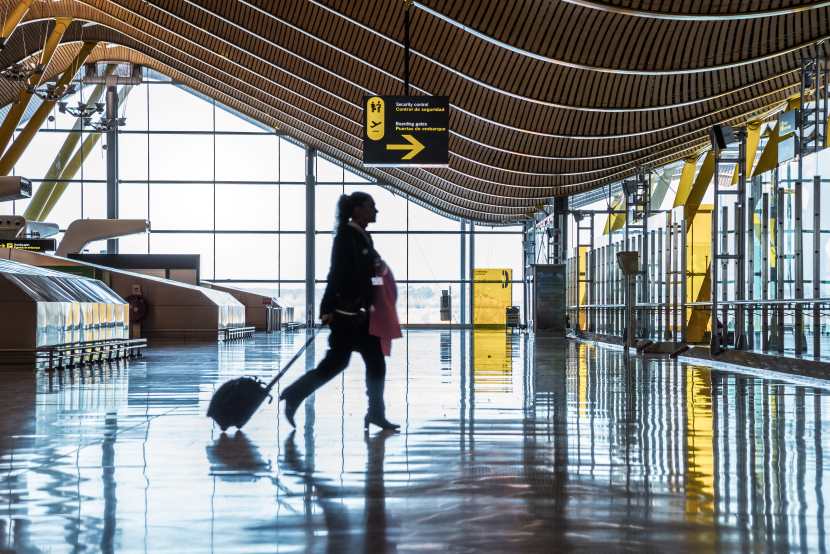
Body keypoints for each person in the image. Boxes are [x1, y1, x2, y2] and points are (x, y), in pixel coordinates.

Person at [279, 192, 400, 431]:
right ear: (357, 209)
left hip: (360, 316)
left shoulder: (363, 237)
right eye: (371, 206)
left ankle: (375, 413)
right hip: (347, 316)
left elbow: (367, 273)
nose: (375, 211)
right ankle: (294, 394)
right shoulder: (346, 236)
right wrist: (327, 308)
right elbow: (336, 272)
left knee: (374, 363)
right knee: (337, 364)